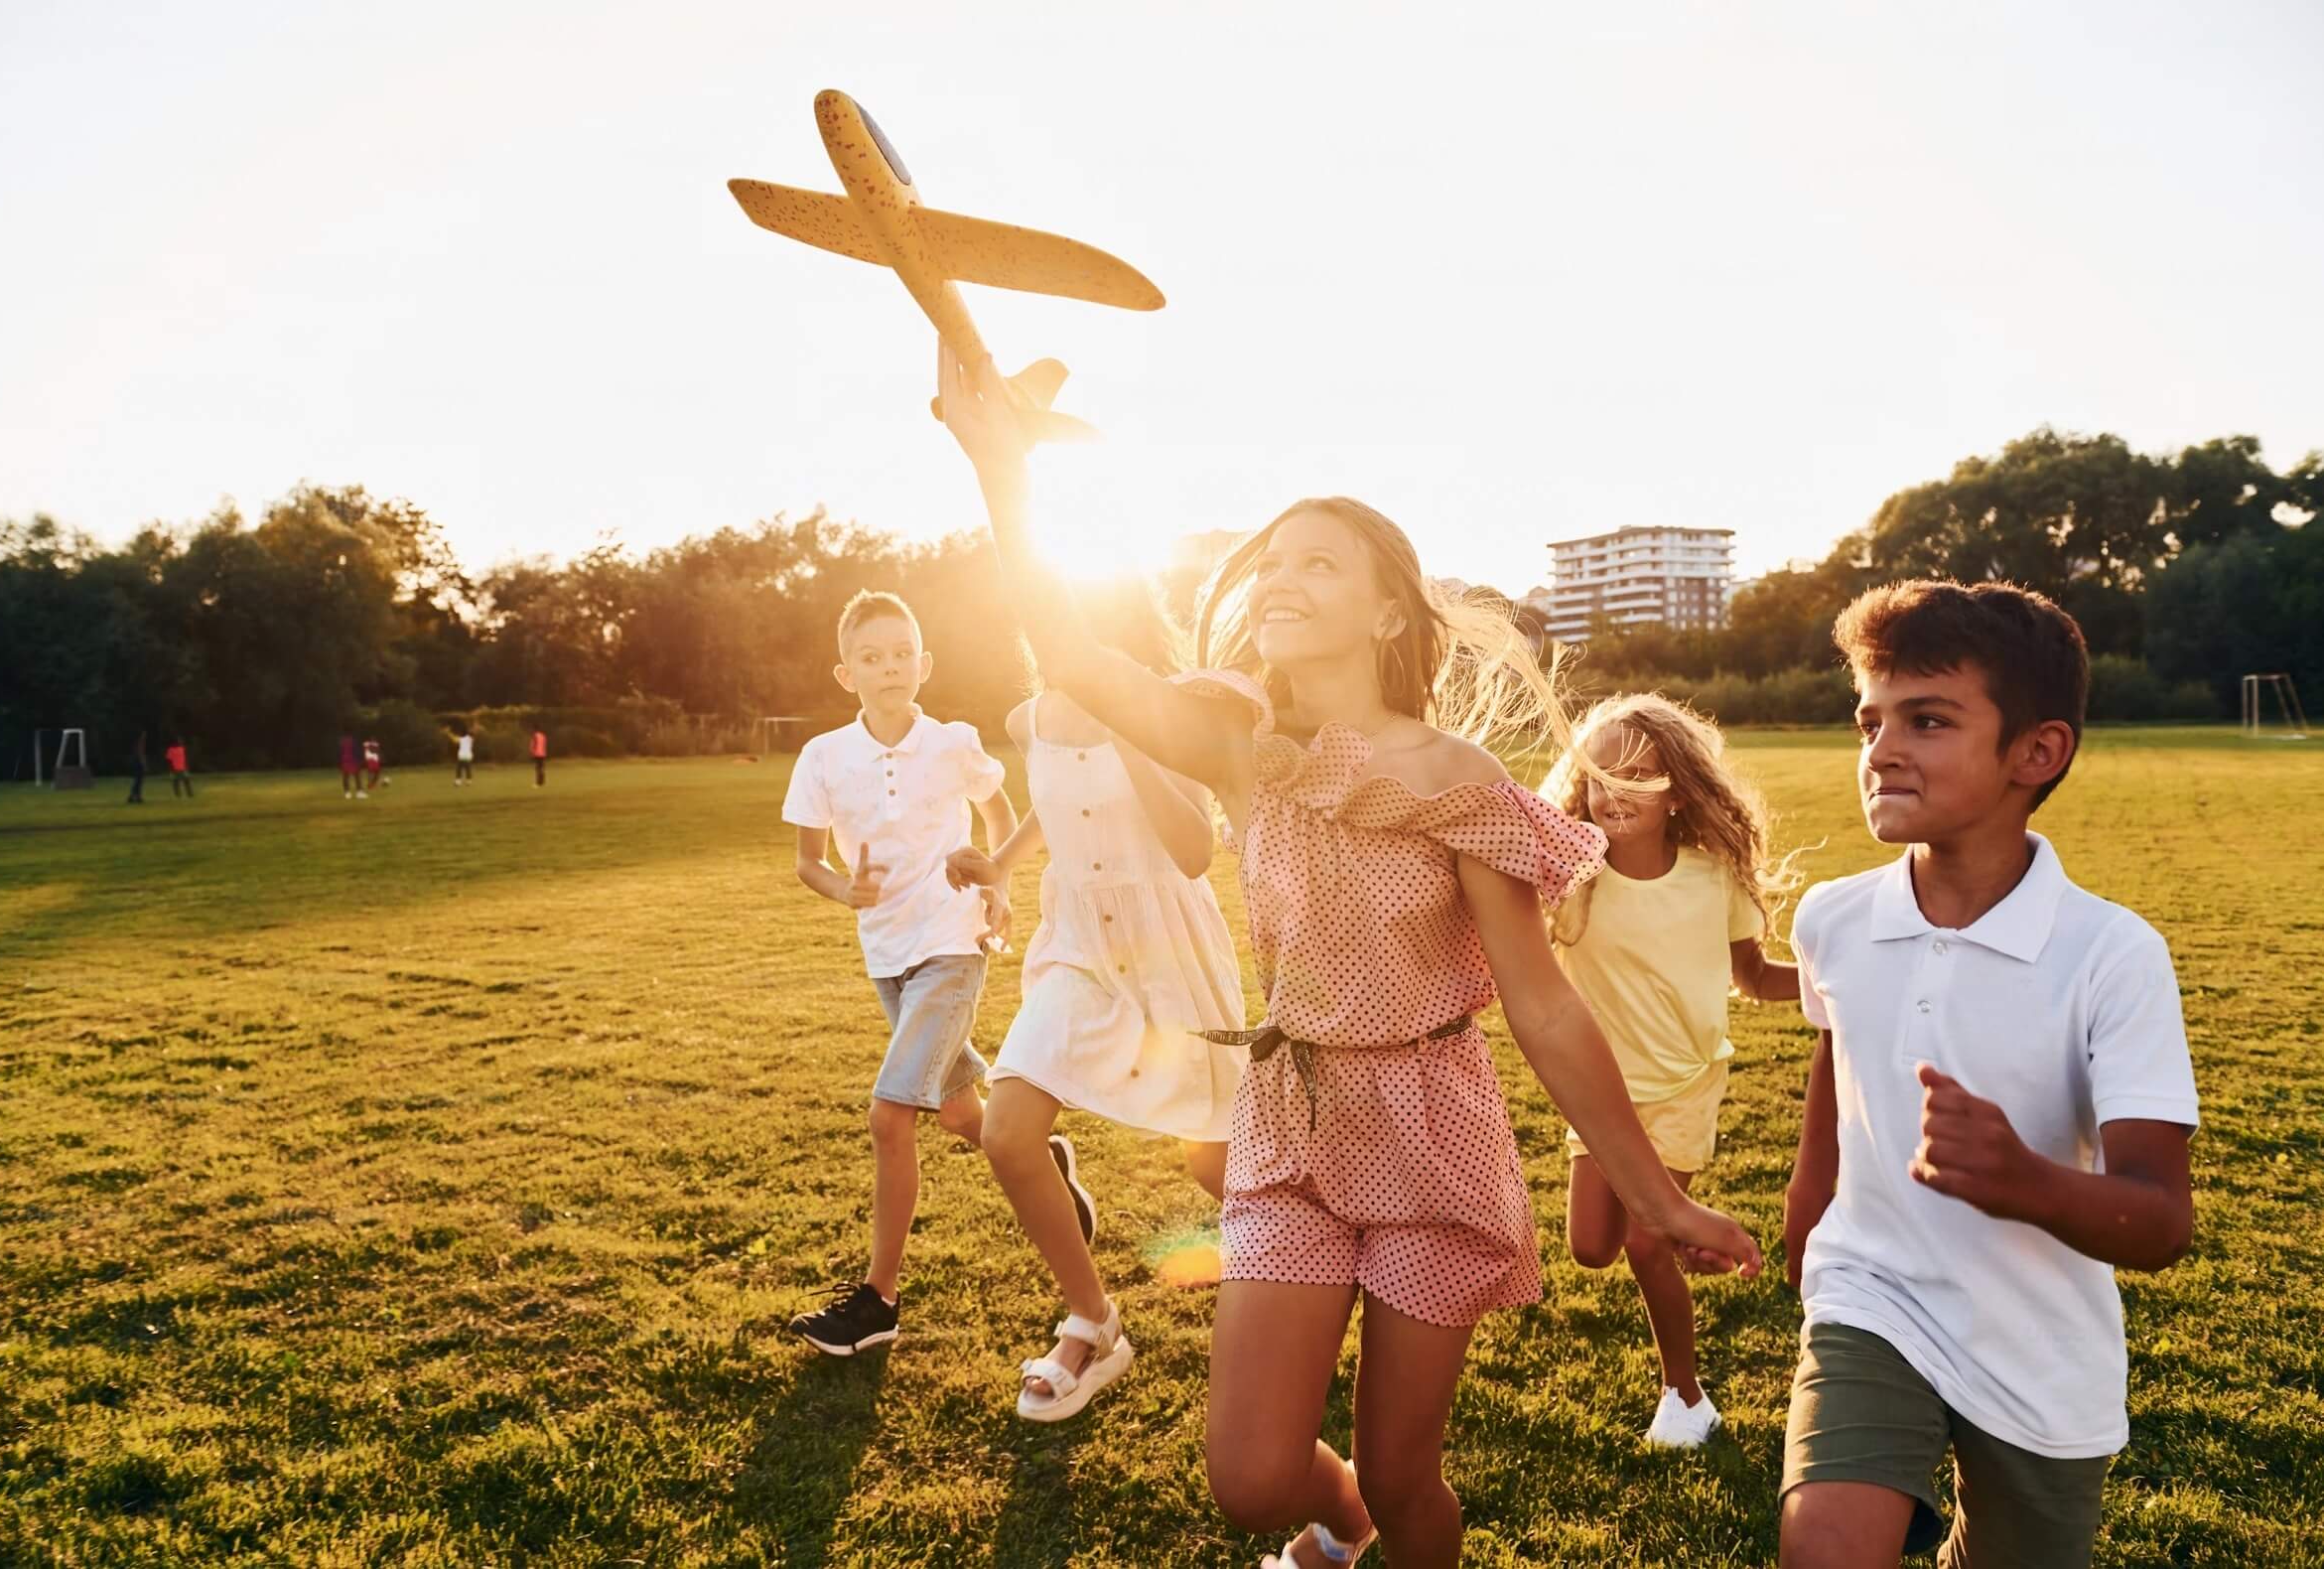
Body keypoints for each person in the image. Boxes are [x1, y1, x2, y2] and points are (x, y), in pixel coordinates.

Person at [937, 342, 1759, 1569]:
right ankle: (1350, 1531)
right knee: (1254, 1474)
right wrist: (999, 466)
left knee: (1402, 1464)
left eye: (1317, 561)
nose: (1281, 578)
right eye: (1272, 561)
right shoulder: (1234, 737)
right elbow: (1072, 654)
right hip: (1292, 1120)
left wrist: (1654, 1190)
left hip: (1432, 1128)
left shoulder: (1458, 783)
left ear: (1385, 608)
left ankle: (1398, 1528)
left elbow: (1539, 1006)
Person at [1778, 581, 2200, 1569]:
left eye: (1926, 719)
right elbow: (1839, 1043)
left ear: (2036, 751)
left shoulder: (2111, 953)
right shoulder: (1832, 916)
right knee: (1823, 1550)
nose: (1881, 748)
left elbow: (2162, 1216)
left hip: (2039, 1346)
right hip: (1871, 1292)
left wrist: (2023, 1176)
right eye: (1869, 721)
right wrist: (1810, 1192)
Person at [943, 575, 1249, 1422]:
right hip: (1078, 946)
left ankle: (1316, 1275)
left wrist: (1131, 728)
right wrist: (1000, 863)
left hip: (1171, 952)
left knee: (1214, 1161)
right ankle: (1094, 1321)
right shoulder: (1028, 718)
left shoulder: (1168, 714)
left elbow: (1192, 851)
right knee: (1007, 1132)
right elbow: (1054, 801)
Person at [780, 589, 1070, 1356]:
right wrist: (847, 889)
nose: (891, 668)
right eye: (872, 658)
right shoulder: (823, 758)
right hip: (887, 953)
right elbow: (809, 862)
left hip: (952, 942)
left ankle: (878, 1301)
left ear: (925, 662)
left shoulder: (951, 742)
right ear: (846, 674)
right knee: (960, 1116)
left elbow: (1000, 811)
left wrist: (997, 882)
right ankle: (1046, 1160)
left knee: (889, 1117)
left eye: (903, 654)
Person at [1539, 693, 1803, 1448]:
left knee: (1645, 1243)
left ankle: (1685, 1399)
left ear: (1677, 791)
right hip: (1600, 1094)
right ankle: (1697, 1242)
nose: (1616, 791)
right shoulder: (1568, 882)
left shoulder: (1711, 878)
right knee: (1592, 1246)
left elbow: (1752, 978)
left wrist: (1833, 984)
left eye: (1640, 775)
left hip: (1687, 1082)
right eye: (1599, 776)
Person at [126, 730, 147, 804]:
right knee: (138, 781)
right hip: (138, 763)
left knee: (137, 781)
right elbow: (140, 754)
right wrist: (143, 764)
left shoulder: (137, 743)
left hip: (136, 763)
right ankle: (134, 797)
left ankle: (134, 796)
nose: (145, 736)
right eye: (144, 735)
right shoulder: (140, 743)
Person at [340, 733, 361, 798]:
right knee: (356, 776)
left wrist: (340, 761)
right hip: (352, 760)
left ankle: (347, 793)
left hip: (345, 760)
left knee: (346, 777)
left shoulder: (342, 741)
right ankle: (359, 793)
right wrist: (359, 760)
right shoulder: (353, 741)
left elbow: (340, 751)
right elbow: (356, 750)